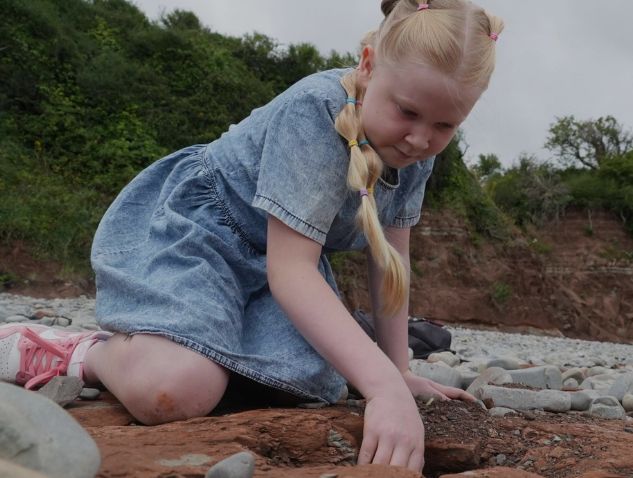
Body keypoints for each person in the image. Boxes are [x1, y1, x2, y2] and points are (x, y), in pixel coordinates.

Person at [0, 0, 503, 472]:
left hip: (269, 266)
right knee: (177, 391)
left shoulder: (417, 152)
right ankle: (81, 352)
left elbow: (390, 260)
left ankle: (186, 339)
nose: (420, 138)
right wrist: (382, 389)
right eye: (408, 113)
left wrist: (399, 373)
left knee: (311, 383)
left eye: (445, 125)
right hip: (199, 234)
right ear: (369, 65)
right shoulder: (315, 112)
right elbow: (291, 271)